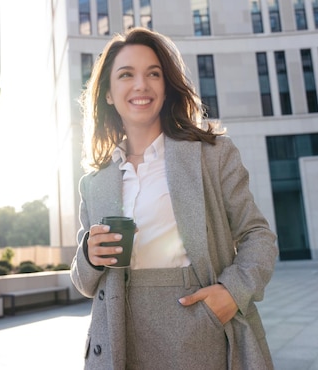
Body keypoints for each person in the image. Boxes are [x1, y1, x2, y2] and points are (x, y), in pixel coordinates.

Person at [70, 27, 278, 370]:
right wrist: (90, 256)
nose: (141, 85)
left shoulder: (211, 155)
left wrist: (232, 293)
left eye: (154, 73)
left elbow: (258, 235)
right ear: (108, 93)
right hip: (121, 339)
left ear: (166, 87)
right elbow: (84, 281)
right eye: (126, 75)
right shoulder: (95, 182)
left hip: (200, 335)